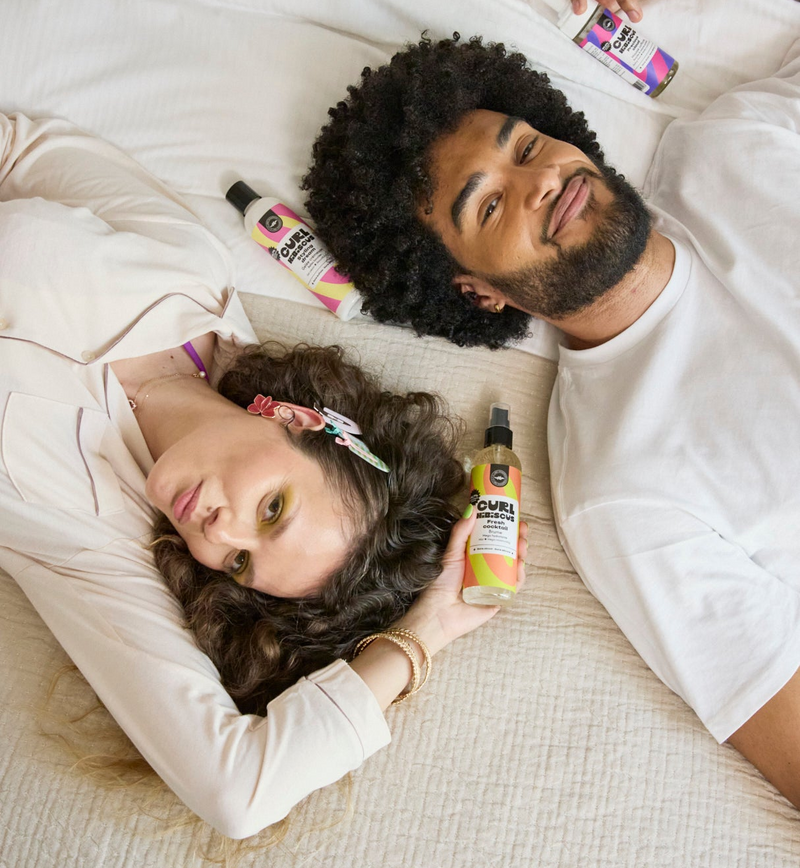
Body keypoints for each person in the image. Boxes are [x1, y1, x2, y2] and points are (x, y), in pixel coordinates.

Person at [301, 0, 800, 810]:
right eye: (489, 206)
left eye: (525, 147)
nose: (540, 182)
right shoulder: (621, 491)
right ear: (475, 291)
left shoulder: (732, 150)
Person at [0, 113, 528, 839]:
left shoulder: (97, 544)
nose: (218, 537)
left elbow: (237, 794)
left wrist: (426, 631)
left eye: (241, 563)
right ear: (301, 420)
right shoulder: (189, 274)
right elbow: (24, 150)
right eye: (273, 509)